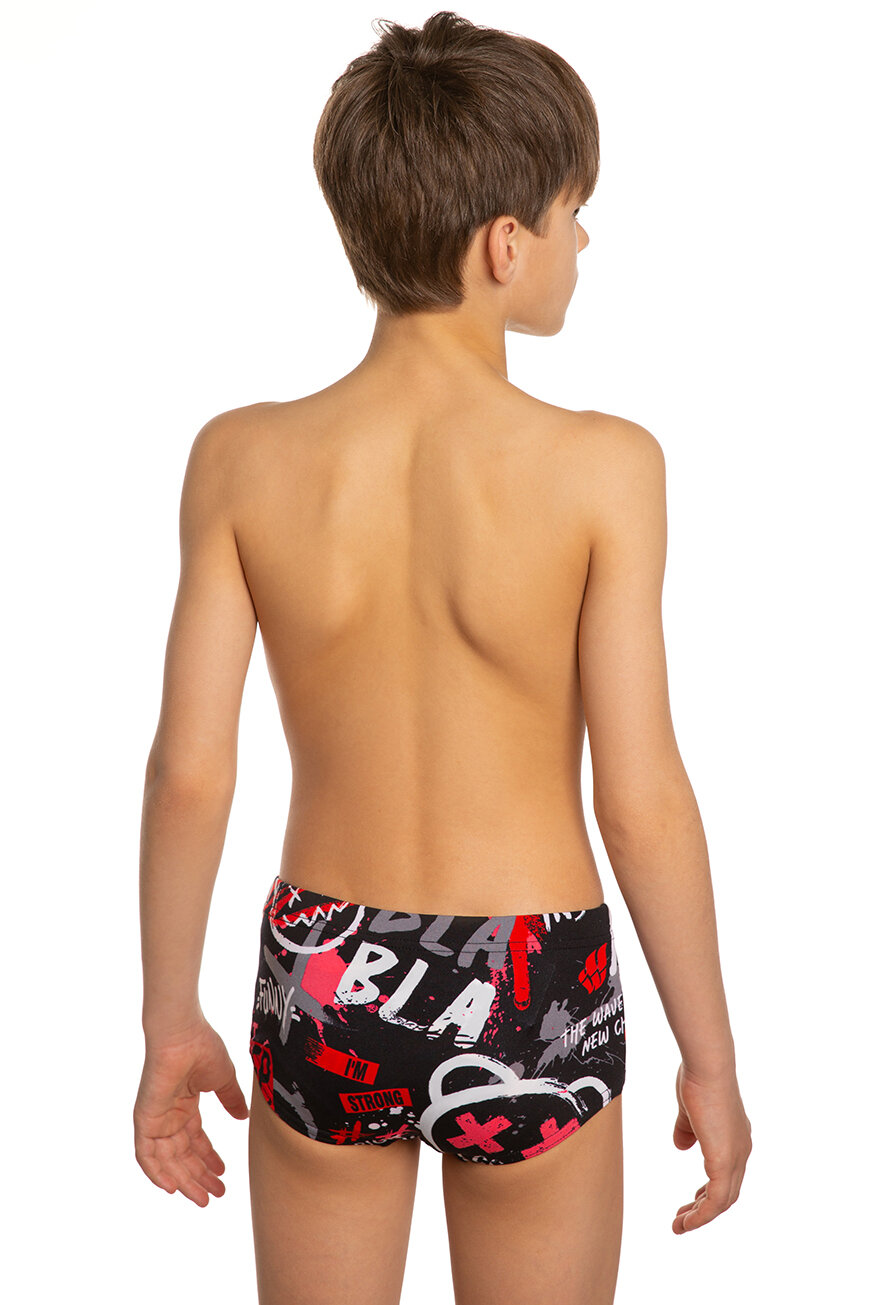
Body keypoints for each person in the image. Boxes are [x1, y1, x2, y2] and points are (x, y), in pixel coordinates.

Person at [133, 10, 752, 1303]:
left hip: (326, 966)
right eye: (576, 214)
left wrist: (167, 1019)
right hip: (530, 982)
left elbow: (191, 770)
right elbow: (639, 798)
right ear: (505, 244)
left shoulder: (242, 457)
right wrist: (710, 1053)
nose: (585, 244)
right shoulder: (603, 466)